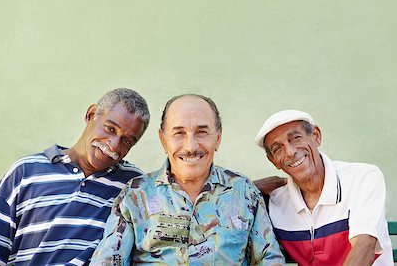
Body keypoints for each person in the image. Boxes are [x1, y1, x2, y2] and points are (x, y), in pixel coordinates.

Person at [90, 94, 285, 265]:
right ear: (163, 140)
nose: (191, 146)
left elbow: (269, 259)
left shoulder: (244, 192)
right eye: (179, 133)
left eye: (201, 132)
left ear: (217, 138)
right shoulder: (135, 195)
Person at [0, 88, 150, 266]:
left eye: (127, 141)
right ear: (91, 115)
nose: (113, 146)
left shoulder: (134, 187)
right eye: (110, 129)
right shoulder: (25, 172)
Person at [254, 110, 393, 266]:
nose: (290, 152)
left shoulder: (363, 178)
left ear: (316, 136)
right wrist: (250, 187)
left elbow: (364, 246)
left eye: (295, 138)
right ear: (273, 161)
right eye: (277, 149)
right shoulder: (275, 202)